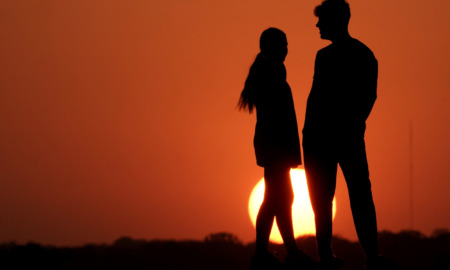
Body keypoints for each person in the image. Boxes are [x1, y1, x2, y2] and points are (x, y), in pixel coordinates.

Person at [303, 1, 396, 269]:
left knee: (355, 195)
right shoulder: (331, 56)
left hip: (340, 137)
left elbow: (366, 97)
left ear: (336, 21)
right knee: (329, 196)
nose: (318, 25)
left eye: (322, 20)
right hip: (327, 137)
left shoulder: (361, 55)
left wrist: (349, 125)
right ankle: (330, 255)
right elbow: (317, 98)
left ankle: (369, 255)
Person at [239, 28, 318, 270]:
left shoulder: (270, 70)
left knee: (281, 197)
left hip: (275, 145)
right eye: (282, 44)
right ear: (270, 47)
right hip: (274, 145)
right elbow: (277, 115)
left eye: (286, 44)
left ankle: (283, 252)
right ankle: (267, 253)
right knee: (276, 198)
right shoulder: (271, 71)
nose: (286, 49)